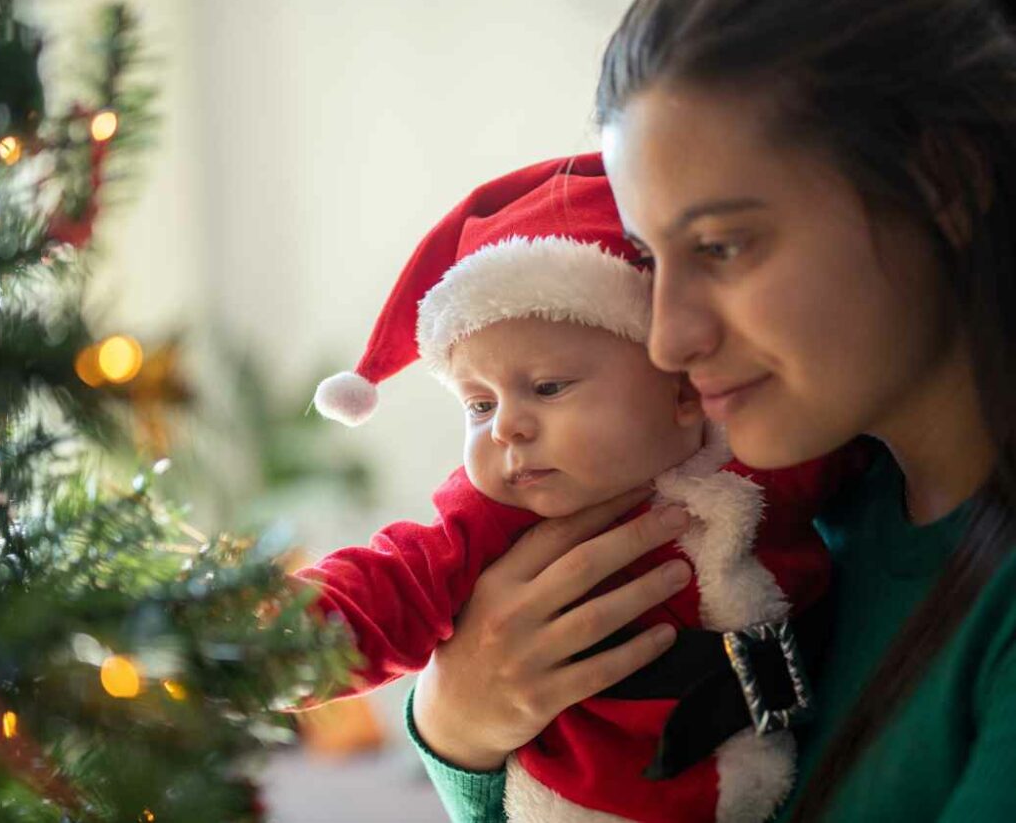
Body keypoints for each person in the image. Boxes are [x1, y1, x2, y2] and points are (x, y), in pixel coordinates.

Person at [407, 0, 1016, 821]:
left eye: (722, 247)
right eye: (650, 262)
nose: (668, 337)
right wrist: (461, 728)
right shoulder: (799, 522)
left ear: (941, 184)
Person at [300, 154, 860, 822]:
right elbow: (390, 585)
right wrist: (272, 630)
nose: (506, 426)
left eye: (548, 388)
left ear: (680, 387)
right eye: (478, 405)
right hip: (585, 803)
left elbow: (858, 433)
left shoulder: (768, 449)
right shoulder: (497, 517)